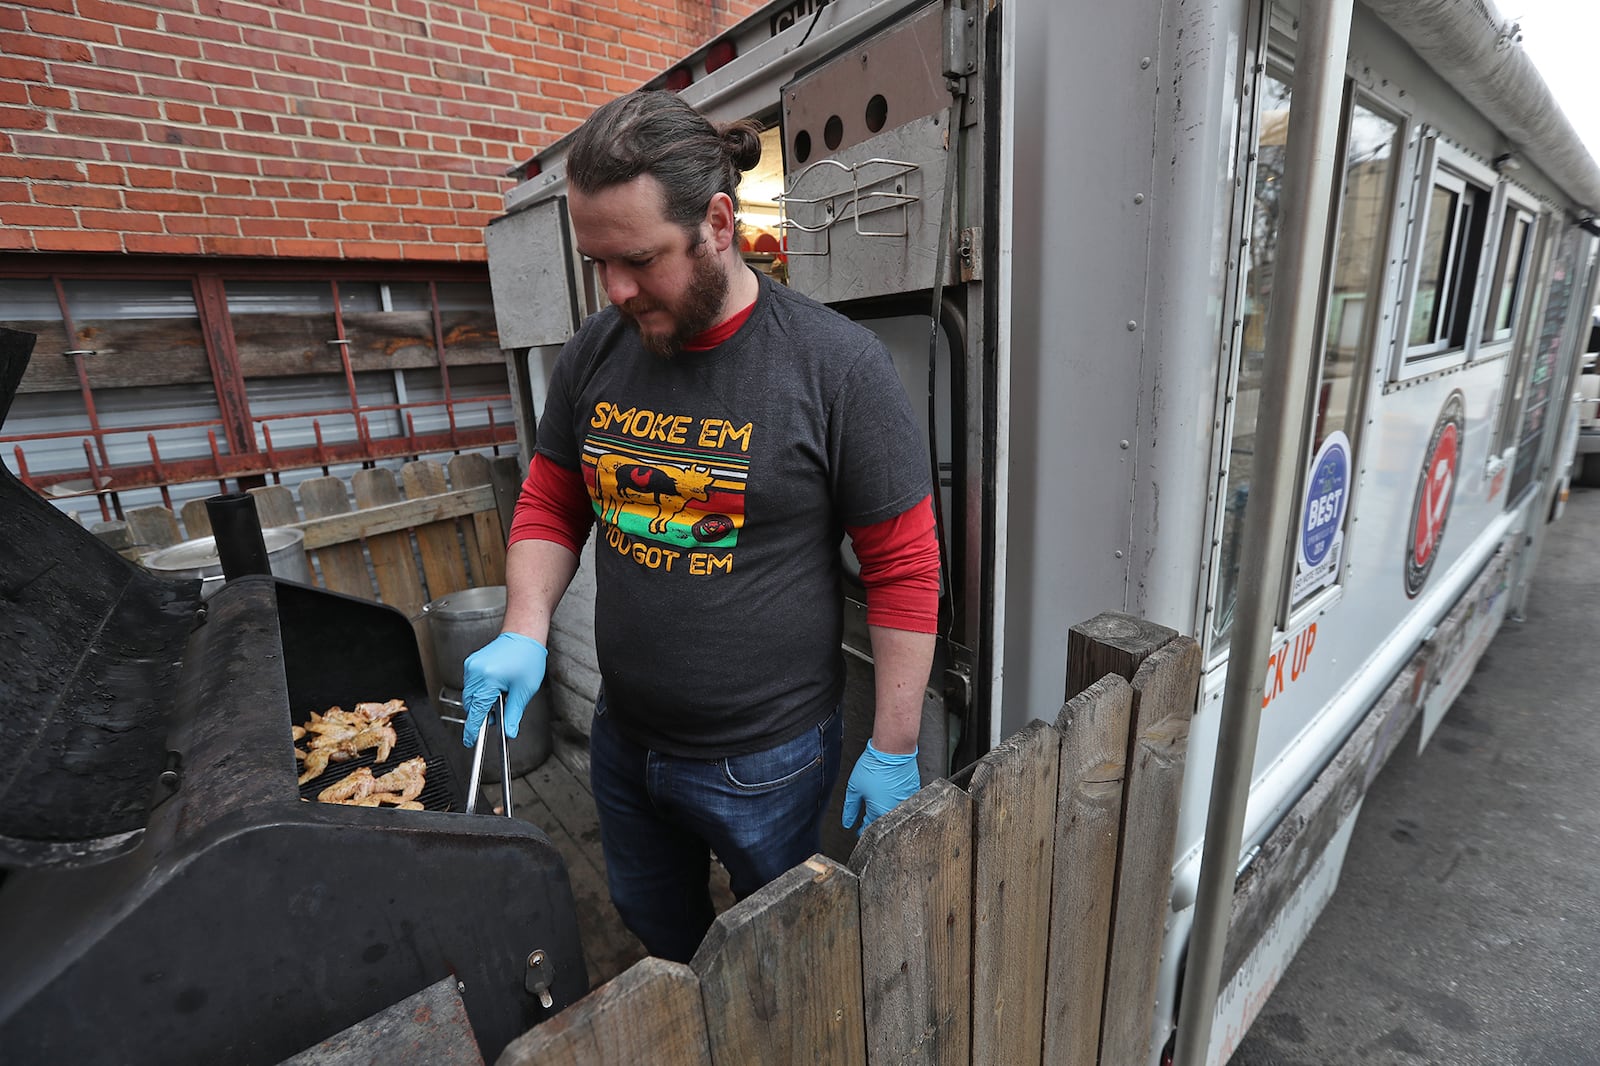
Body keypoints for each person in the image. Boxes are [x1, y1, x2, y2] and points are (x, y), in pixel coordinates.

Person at [461, 89, 941, 964]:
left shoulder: (837, 368)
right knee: (659, 932)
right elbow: (553, 500)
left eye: (639, 259)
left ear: (718, 223)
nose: (615, 289)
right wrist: (525, 629)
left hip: (766, 760)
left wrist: (895, 742)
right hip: (624, 736)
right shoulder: (594, 353)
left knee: (779, 957)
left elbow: (903, 566)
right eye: (597, 262)